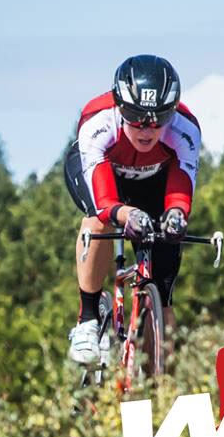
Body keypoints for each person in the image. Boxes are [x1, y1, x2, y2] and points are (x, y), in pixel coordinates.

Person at [64, 54, 202, 364]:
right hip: (105, 176)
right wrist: (125, 215)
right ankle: (87, 317)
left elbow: (181, 187)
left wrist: (176, 215)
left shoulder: (185, 129)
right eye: (135, 116)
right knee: (99, 222)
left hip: (154, 180)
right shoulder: (98, 120)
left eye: (158, 119)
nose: (147, 128)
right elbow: (104, 203)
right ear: (119, 107)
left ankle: (159, 390)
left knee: (165, 302)